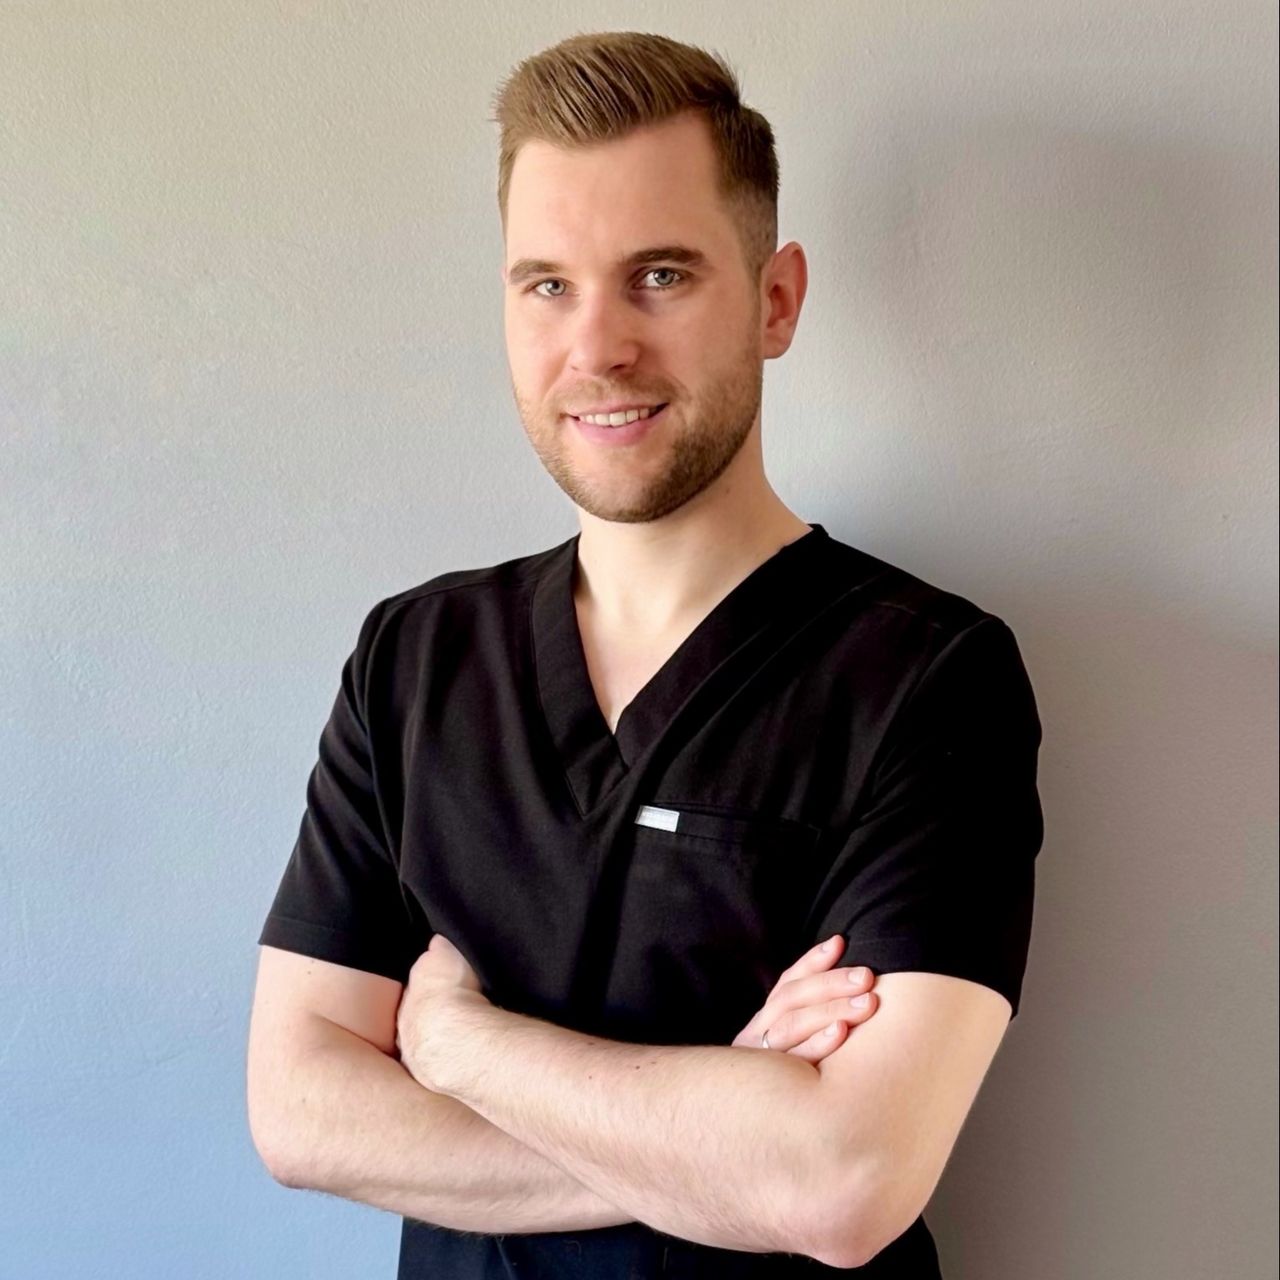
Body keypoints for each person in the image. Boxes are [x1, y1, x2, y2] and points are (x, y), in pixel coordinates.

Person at [246, 30, 1044, 1279]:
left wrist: (458, 1047)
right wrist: (727, 1118)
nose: (596, 347)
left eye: (659, 275)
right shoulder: (413, 658)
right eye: (546, 285)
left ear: (774, 300)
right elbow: (298, 1111)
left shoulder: (928, 679)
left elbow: (844, 1182)